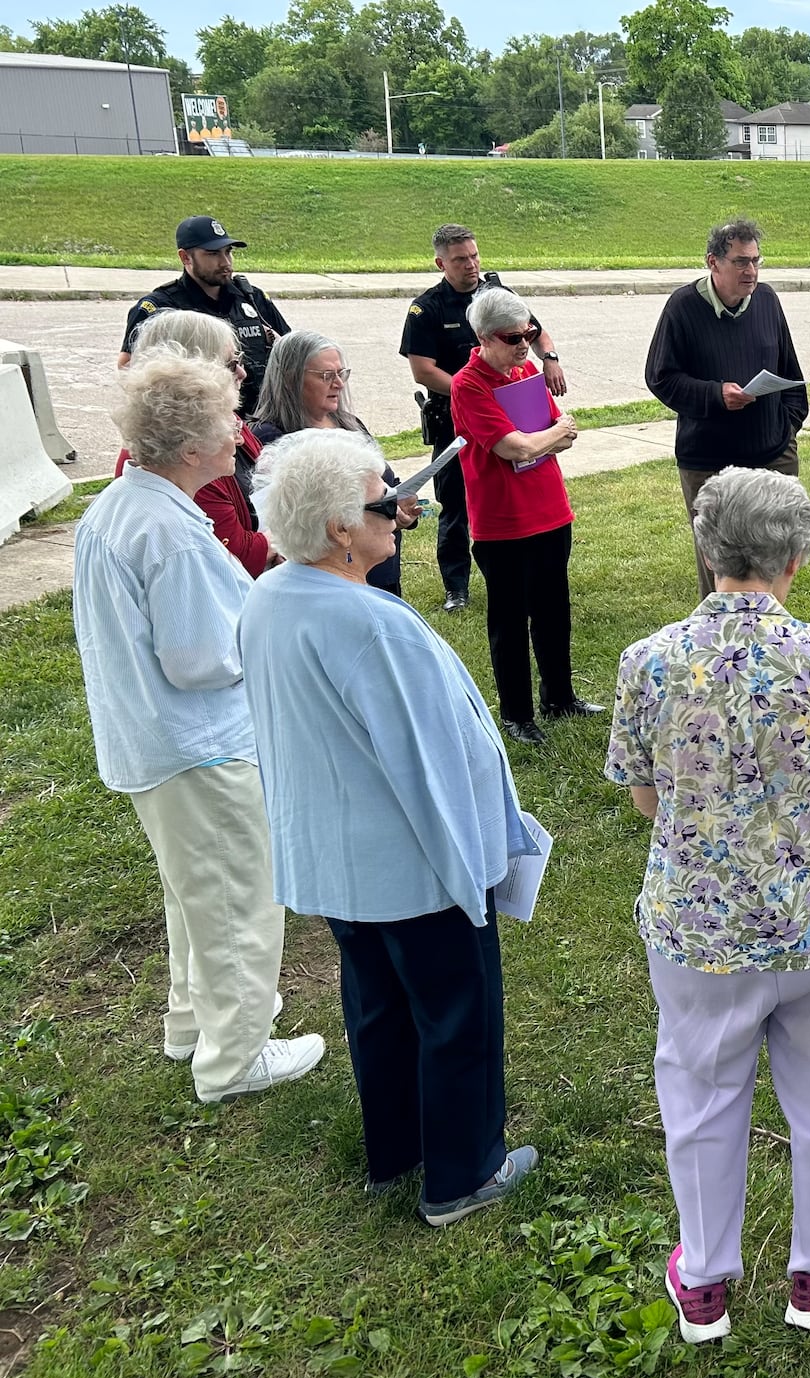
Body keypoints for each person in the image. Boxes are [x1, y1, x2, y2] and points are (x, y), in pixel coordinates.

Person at [606, 469, 810, 1344]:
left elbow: (645, 796)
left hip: (700, 925)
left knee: (699, 1094)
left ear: (706, 550)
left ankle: (702, 1279)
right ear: (795, 559)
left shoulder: (648, 662)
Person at [239, 430, 539, 1227]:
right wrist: (474, 868)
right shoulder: (373, 624)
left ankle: (397, 1150)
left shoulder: (270, 596)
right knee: (456, 1012)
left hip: (337, 861)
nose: (402, 510)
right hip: (413, 866)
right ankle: (464, 1174)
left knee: (376, 1004)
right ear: (339, 528)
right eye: (384, 499)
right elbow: (429, 764)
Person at [73, 347, 324, 1104]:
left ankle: (193, 1021)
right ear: (188, 448)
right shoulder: (173, 533)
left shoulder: (123, 504)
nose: (238, 434)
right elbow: (197, 657)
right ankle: (235, 1057)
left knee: (192, 894)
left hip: (153, 740)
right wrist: (264, 634)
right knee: (236, 895)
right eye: (226, 423)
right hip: (198, 743)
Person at [451, 287, 599, 746]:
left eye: (529, 333)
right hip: (502, 522)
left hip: (551, 510)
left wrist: (545, 437)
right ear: (484, 337)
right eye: (513, 336)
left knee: (554, 609)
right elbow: (512, 446)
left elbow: (563, 433)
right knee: (509, 618)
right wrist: (544, 437)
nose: (523, 344)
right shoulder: (468, 384)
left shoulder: (526, 370)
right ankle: (518, 713)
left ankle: (560, 696)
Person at [400, 223, 567, 613]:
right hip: (455, 419)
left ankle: (526, 567)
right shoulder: (427, 308)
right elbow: (423, 370)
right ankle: (456, 586)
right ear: (441, 263)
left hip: (512, 413)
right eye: (460, 259)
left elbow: (536, 332)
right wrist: (476, 394)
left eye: (474, 255)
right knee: (455, 502)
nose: (471, 265)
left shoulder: (499, 297)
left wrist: (550, 359)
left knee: (518, 480)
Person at [644, 219, 810, 598]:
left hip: (772, 455)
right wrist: (717, 395)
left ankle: (771, 639)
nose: (750, 271)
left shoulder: (767, 300)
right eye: (740, 262)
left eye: (755, 261)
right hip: (708, 461)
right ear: (713, 262)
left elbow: (791, 373)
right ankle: (717, 648)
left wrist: (787, 428)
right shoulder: (682, 308)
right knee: (721, 564)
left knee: (777, 555)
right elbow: (661, 378)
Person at [252, 330, 416, 597]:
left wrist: (402, 508)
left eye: (342, 373)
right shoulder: (271, 439)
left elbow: (386, 484)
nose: (339, 383)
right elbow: (273, 519)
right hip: (325, 581)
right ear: (291, 378)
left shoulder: (351, 425)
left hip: (379, 568)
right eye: (327, 376)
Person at [115, 309, 275, 578]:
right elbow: (236, 557)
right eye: (230, 363)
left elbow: (267, 479)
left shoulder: (226, 421)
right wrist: (285, 536)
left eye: (240, 360)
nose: (243, 372)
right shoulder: (183, 456)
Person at [119, 216, 290, 418]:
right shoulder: (160, 308)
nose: (225, 262)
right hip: (201, 427)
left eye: (228, 252)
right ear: (185, 258)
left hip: (262, 422)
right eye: (213, 254)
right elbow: (128, 367)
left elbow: (291, 350)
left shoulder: (252, 298)